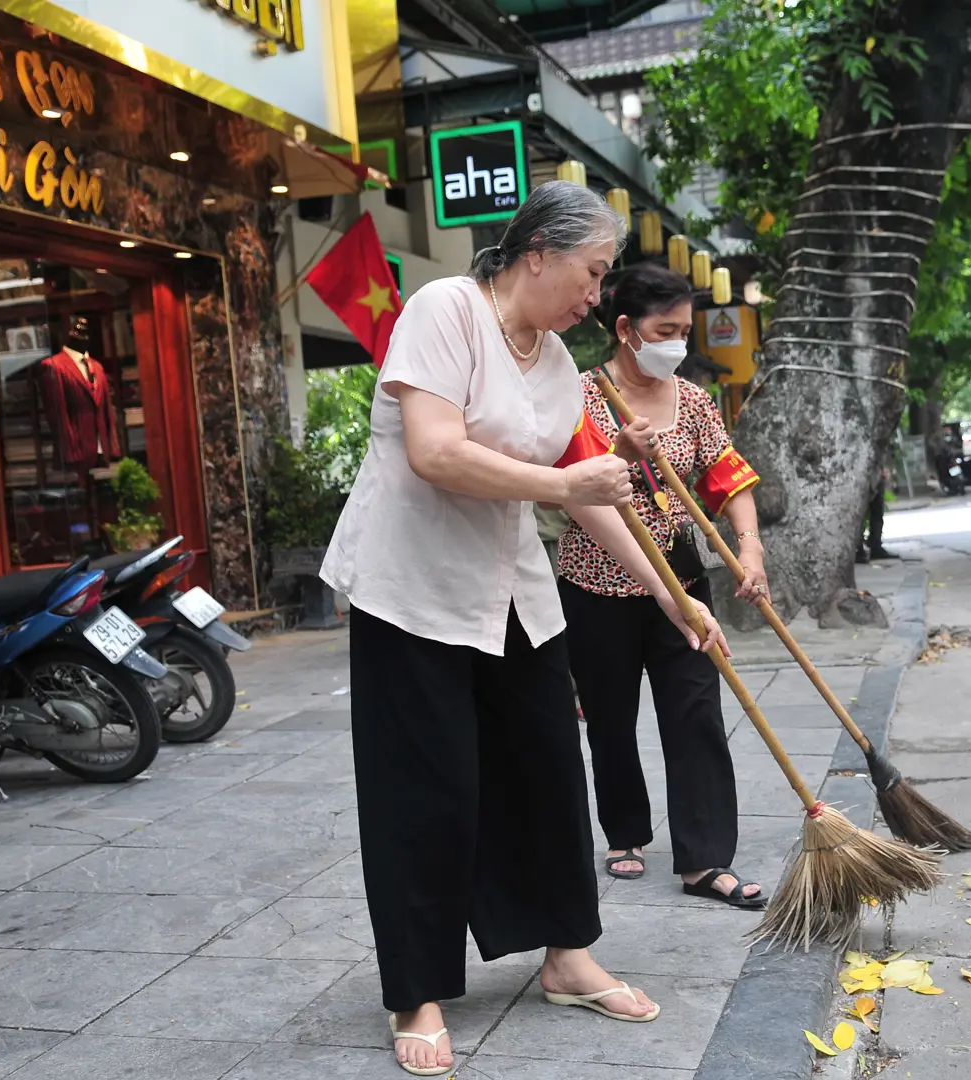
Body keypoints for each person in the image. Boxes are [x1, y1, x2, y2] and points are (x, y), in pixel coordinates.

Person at [320, 182, 727, 1077]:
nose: (598, 294)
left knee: (546, 768)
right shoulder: (446, 310)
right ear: (537, 251)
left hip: (513, 596)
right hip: (411, 594)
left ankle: (567, 955)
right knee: (425, 791)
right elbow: (434, 450)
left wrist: (671, 596)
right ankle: (418, 991)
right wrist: (562, 489)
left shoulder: (553, 361)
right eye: (591, 272)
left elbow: (596, 493)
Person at [557, 263, 768, 909]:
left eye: (682, 330)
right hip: (596, 578)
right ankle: (623, 832)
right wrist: (620, 452)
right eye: (663, 329)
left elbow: (728, 475)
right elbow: (576, 488)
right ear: (624, 329)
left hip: (680, 574)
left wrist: (749, 547)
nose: (675, 342)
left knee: (696, 709)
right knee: (611, 717)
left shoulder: (694, 400)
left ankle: (704, 860)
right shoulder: (579, 396)